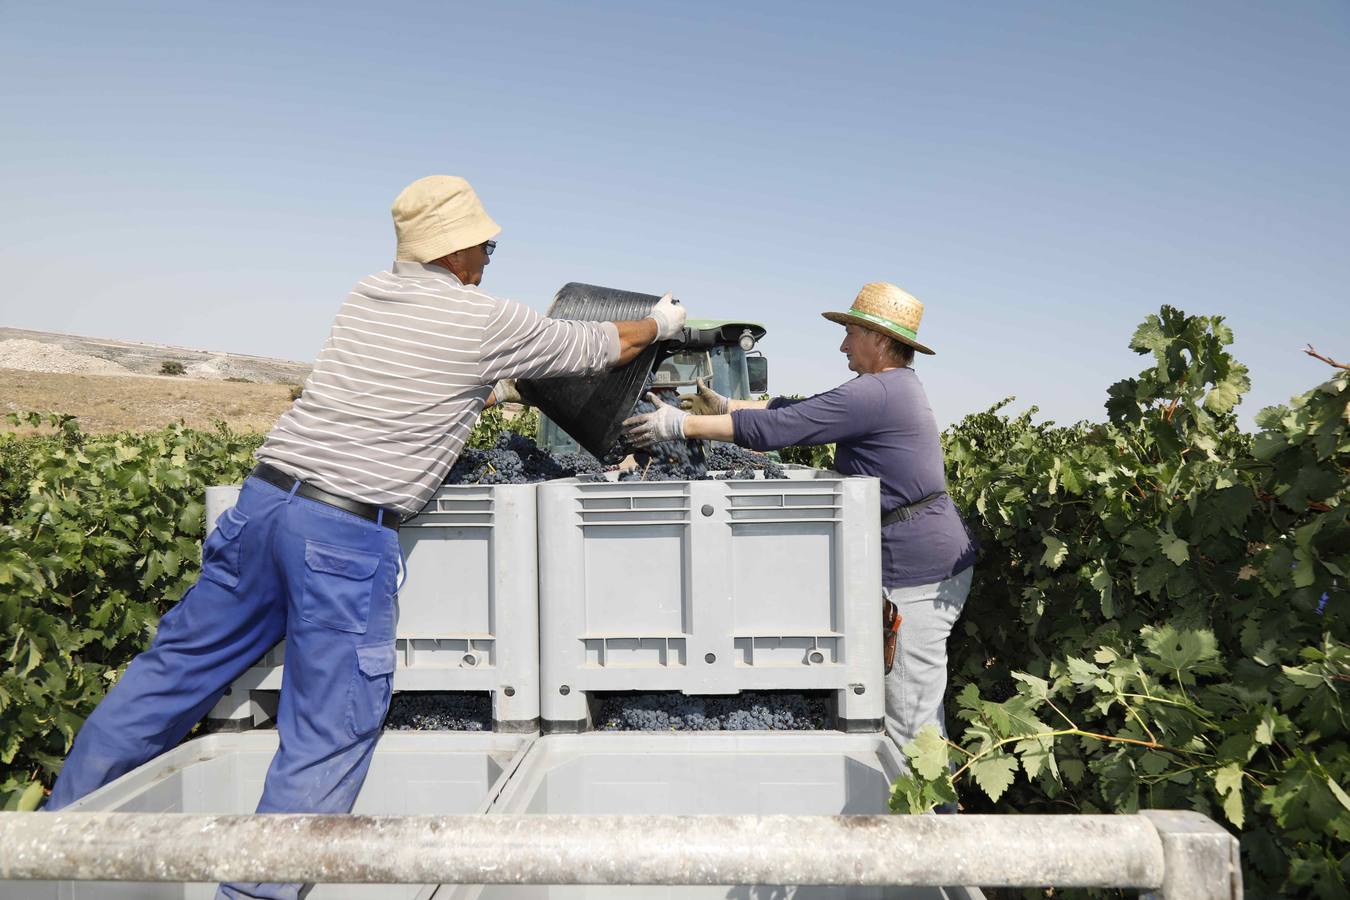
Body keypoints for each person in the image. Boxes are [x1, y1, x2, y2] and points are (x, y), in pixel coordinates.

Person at [45, 175, 687, 900]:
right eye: (487, 244)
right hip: (342, 537)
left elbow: (423, 377)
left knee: (169, 677)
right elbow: (599, 344)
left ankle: (49, 845)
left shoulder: (366, 296)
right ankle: (256, 894)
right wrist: (659, 323)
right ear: (457, 250)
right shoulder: (483, 319)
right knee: (328, 728)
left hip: (262, 505)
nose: (490, 256)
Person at [624, 282, 976, 758]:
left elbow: (781, 429)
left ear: (877, 338)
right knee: (903, 706)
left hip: (917, 570)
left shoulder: (877, 392)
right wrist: (727, 407)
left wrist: (679, 424)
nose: (843, 343)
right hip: (915, 557)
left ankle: (933, 821)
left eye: (850, 332)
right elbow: (802, 412)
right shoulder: (889, 389)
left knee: (910, 719)